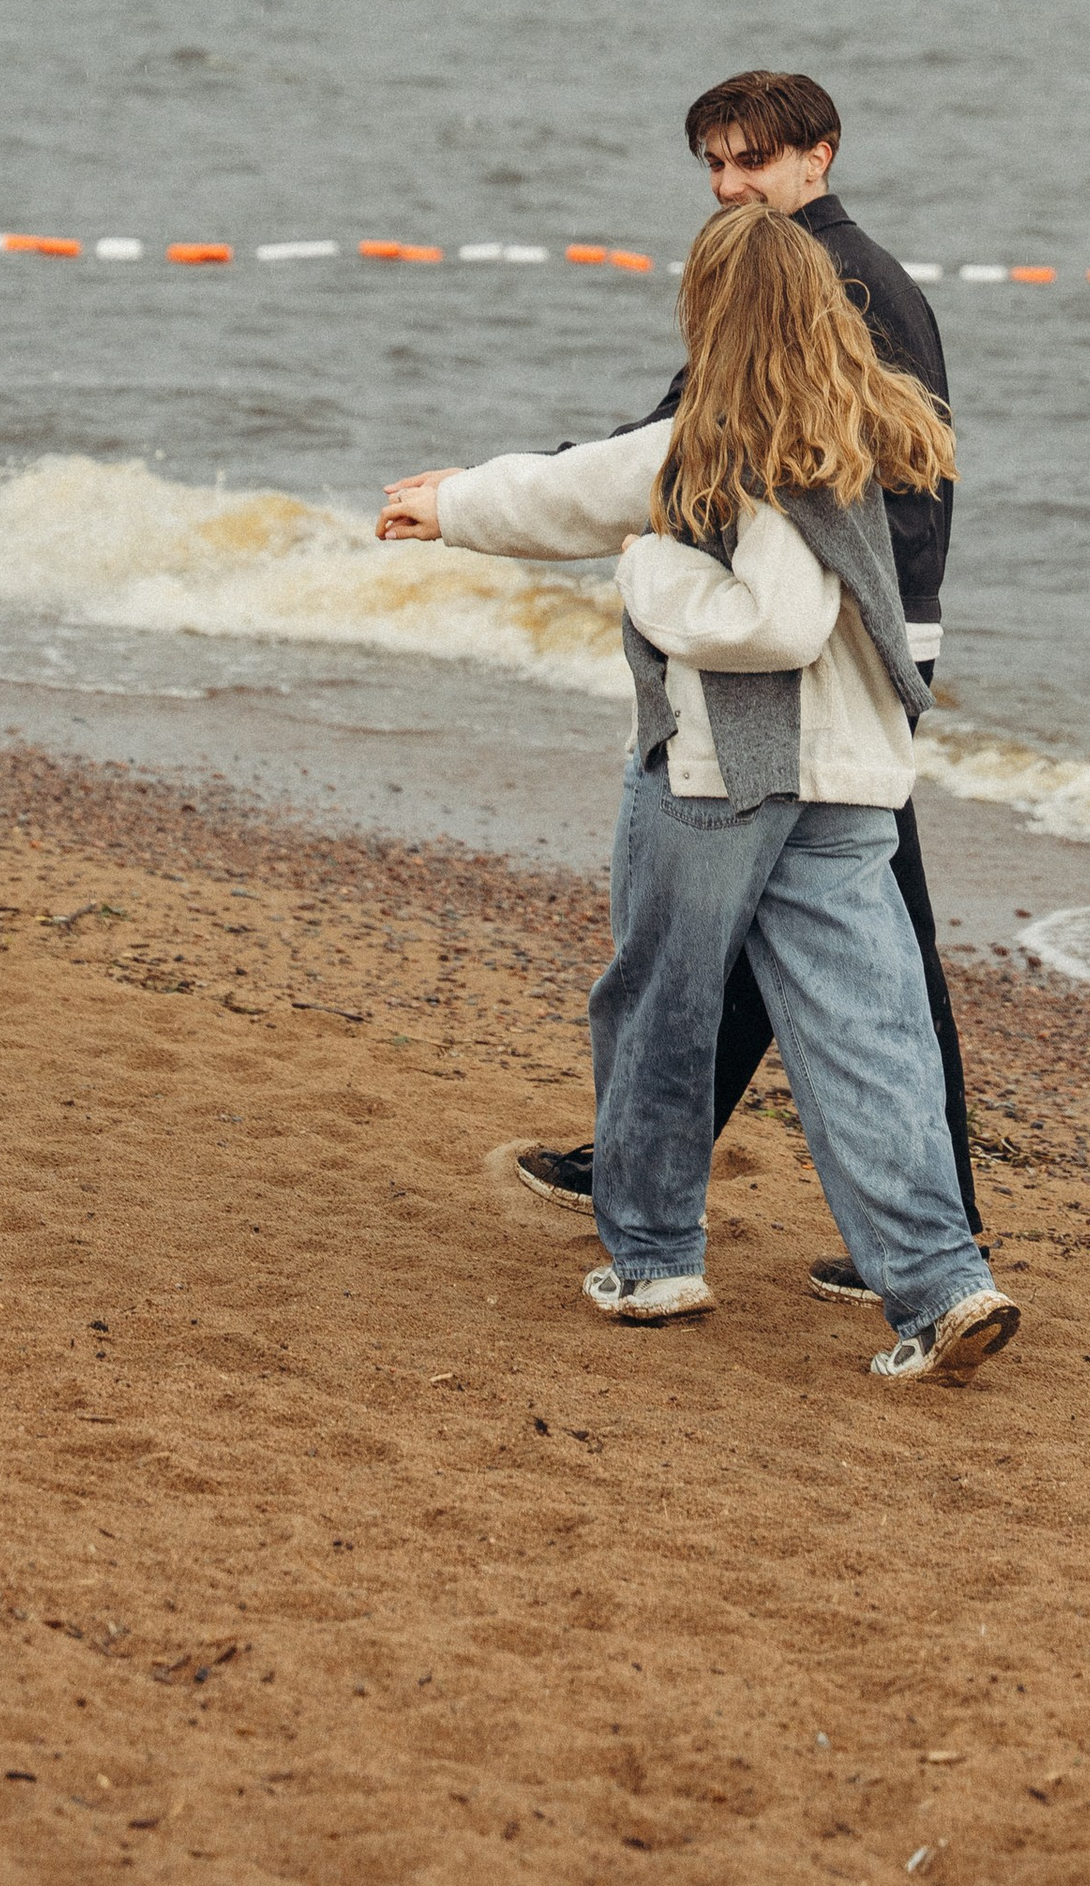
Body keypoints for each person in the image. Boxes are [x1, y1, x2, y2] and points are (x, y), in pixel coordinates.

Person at [380, 70, 980, 1299]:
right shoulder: (813, 290)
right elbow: (669, 451)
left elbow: (685, 470)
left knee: (779, 971)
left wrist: (613, 554)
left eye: (750, 159)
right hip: (851, 708)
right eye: (712, 162)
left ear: (818, 155)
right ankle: (926, 1257)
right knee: (817, 961)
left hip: (803, 699)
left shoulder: (827, 278)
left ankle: (671, 1228)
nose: (726, 184)